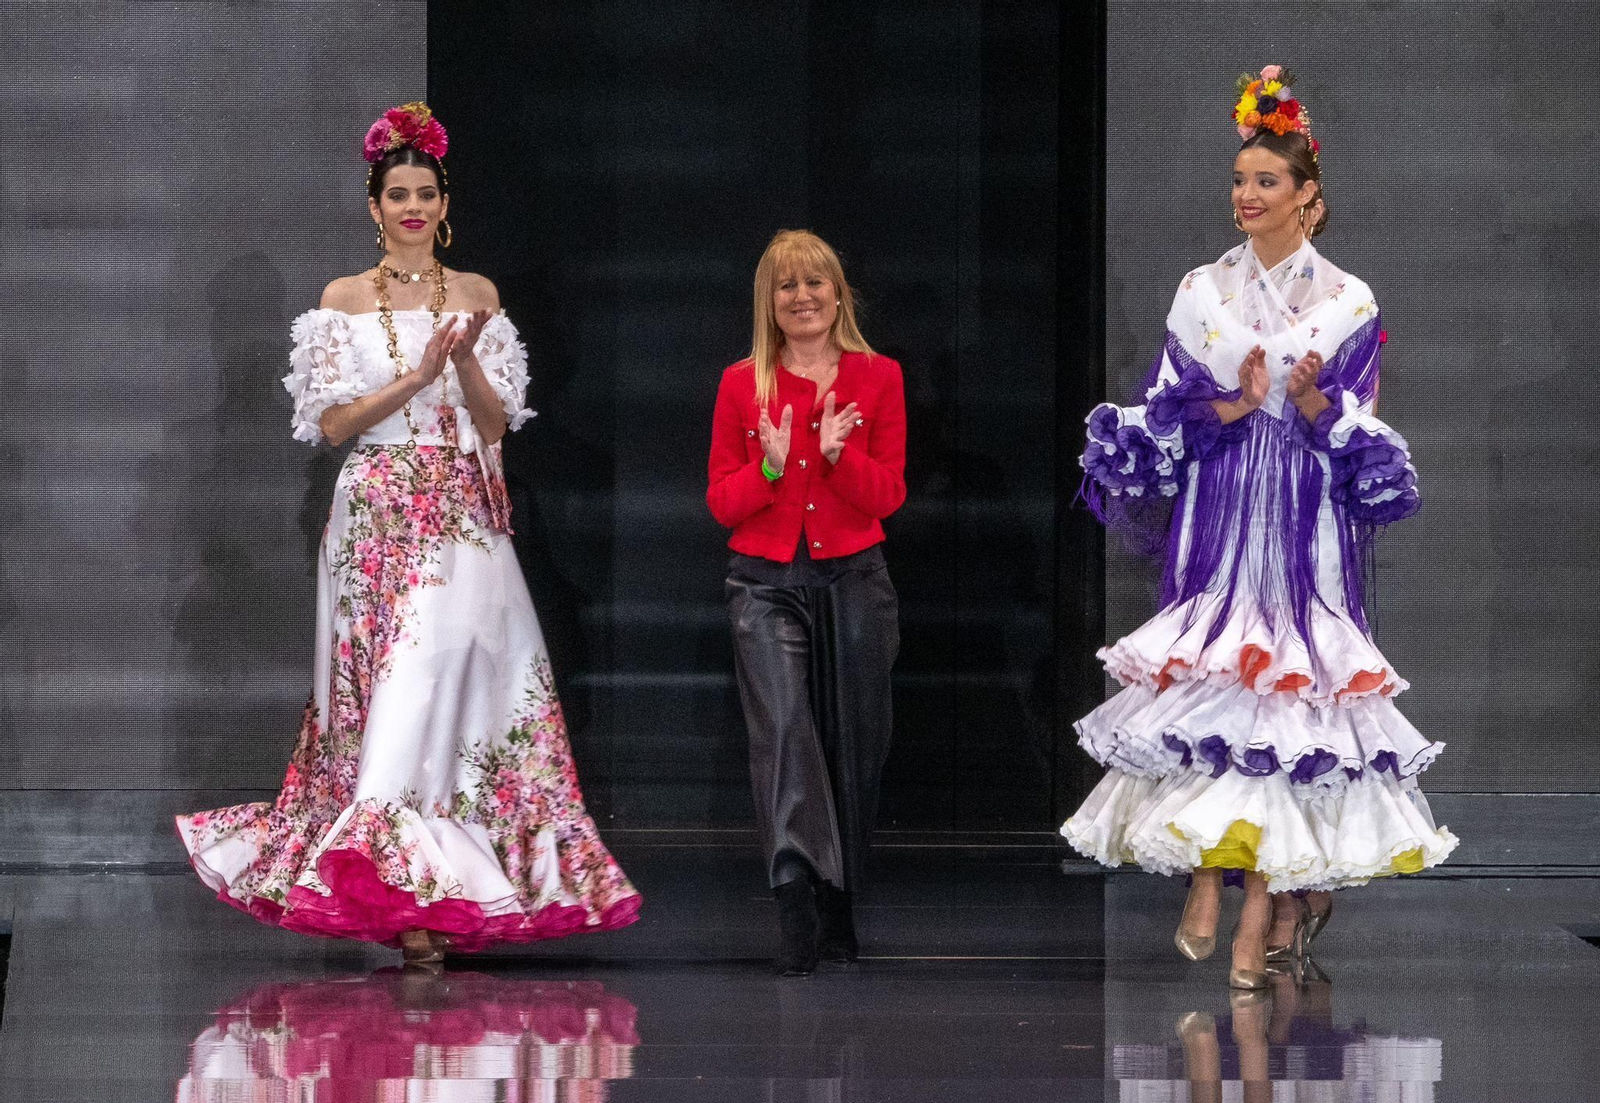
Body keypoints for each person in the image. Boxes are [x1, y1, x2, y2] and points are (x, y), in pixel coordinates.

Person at [176, 102, 640, 964]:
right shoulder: (342, 301)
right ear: (375, 207)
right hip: (374, 509)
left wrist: (460, 363)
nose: (414, 208)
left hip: (460, 509)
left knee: (455, 677)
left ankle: (447, 881)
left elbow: (497, 425)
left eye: (426, 193)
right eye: (399, 195)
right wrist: (415, 378)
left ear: (443, 202)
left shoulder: (477, 297)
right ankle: (409, 903)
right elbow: (335, 422)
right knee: (385, 686)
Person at [1061, 67, 1456, 988]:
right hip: (1223, 519)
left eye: (1267, 182)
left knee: (1286, 700)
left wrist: (1315, 401)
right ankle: (1222, 885)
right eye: (1240, 180)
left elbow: (1362, 441)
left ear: (1308, 198)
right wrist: (1236, 409)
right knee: (1222, 693)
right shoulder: (1202, 294)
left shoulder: (1349, 304)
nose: (1247, 195)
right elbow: (1168, 414)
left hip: (1302, 529)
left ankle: (1255, 904)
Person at [707, 229, 906, 975]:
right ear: (770, 302)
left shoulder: (878, 376)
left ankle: (840, 897)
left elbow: (889, 492)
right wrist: (772, 462)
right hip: (765, 583)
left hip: (853, 578)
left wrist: (835, 457)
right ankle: (794, 895)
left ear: (837, 294)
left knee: (853, 742)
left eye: (814, 283)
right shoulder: (742, 384)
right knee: (785, 731)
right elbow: (723, 502)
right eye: (787, 286)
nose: (802, 297)